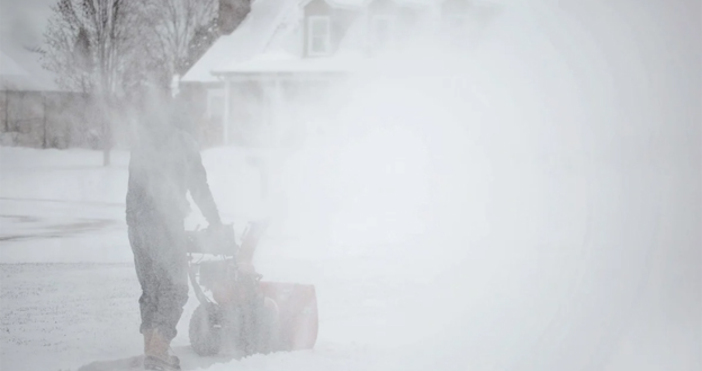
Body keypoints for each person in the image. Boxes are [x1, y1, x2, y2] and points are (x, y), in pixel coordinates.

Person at [126, 84, 221, 371]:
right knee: (176, 288)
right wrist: (215, 222)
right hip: (163, 222)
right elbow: (199, 188)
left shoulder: (145, 138)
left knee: (152, 288)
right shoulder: (184, 141)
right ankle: (157, 353)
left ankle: (152, 349)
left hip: (135, 222)